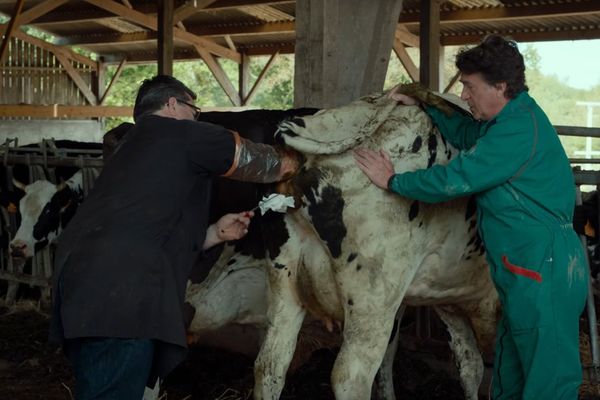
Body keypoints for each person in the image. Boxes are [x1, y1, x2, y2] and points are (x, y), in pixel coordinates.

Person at [354, 35, 588, 399]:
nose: (463, 95)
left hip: (545, 267)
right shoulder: (505, 120)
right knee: (511, 375)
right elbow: (466, 132)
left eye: (468, 86)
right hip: (523, 271)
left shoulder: (518, 129)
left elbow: (456, 179)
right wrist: (426, 104)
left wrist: (393, 180)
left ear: (501, 86)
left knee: (548, 383)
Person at [49, 75, 298, 399]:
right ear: (171, 104)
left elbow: (147, 227)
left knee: (102, 386)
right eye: (194, 110)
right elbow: (262, 163)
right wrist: (300, 159)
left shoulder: (130, 147)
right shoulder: (178, 131)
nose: (197, 117)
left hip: (82, 288)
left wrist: (213, 233)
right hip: (122, 294)